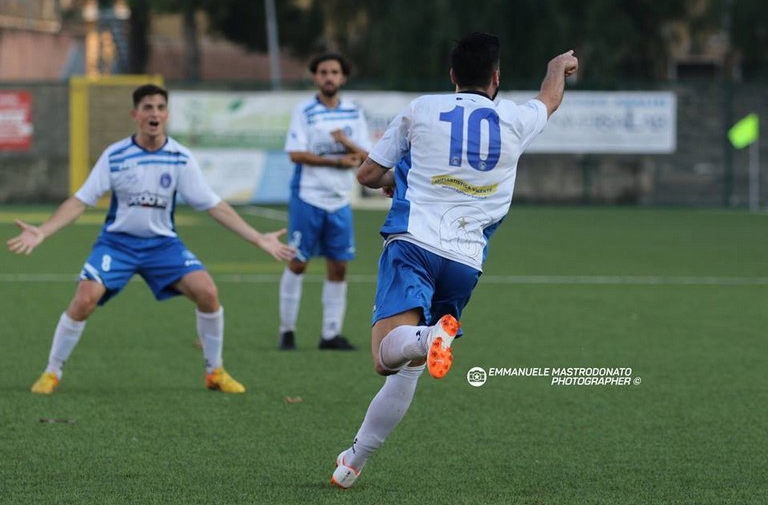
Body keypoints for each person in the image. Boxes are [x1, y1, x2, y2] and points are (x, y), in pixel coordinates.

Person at [329, 32, 579, 488]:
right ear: (496, 78)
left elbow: (367, 174)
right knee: (411, 367)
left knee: (386, 358)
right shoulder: (517, 118)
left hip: (414, 244)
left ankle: (426, 336)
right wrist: (558, 66)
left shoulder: (422, 108)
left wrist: (397, 177)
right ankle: (352, 462)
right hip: (466, 261)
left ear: (452, 76)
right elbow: (550, 97)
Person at [6, 84, 296, 395]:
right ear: (135, 114)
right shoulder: (116, 155)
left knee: (208, 292)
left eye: (160, 107)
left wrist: (257, 238)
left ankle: (215, 371)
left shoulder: (180, 157)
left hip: (162, 246)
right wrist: (43, 231)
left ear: (167, 115)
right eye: (147, 107)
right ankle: (52, 372)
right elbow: (80, 201)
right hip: (117, 244)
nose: (154, 113)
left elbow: (214, 206)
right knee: (84, 300)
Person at [279, 52, 372, 351]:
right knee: (297, 262)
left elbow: (366, 155)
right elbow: (295, 153)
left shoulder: (353, 113)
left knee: (339, 267)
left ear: (343, 77)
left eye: (334, 72)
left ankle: (330, 334)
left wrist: (344, 143)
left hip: (339, 199)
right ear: (315, 77)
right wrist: (335, 162)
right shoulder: (305, 112)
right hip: (308, 196)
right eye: (323, 72)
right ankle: (287, 331)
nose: (329, 77)